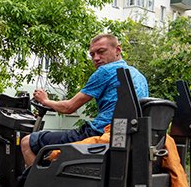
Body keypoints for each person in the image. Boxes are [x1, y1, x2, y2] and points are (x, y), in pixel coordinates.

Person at [21, 33, 148, 167]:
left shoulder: (106, 71)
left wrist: (45, 101)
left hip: (101, 132)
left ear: (117, 50)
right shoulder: (139, 76)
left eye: (101, 52)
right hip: (127, 136)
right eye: (92, 55)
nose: (96, 58)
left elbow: (69, 108)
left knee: (27, 142)